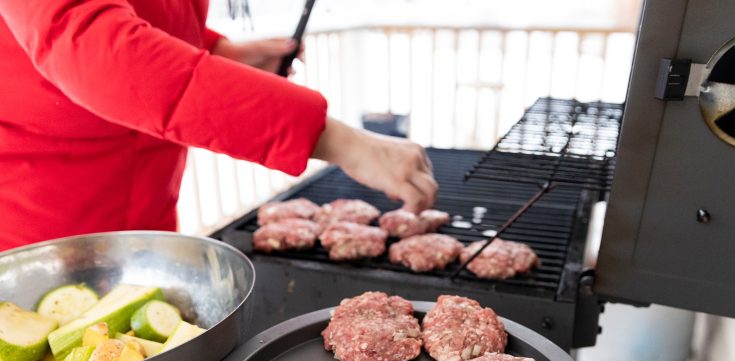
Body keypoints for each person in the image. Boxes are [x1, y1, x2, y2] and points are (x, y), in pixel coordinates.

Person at [0, 0, 437, 252]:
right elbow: (95, 50)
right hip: (38, 239)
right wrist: (341, 141)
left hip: (142, 227)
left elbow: (135, 13)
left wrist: (218, 53)